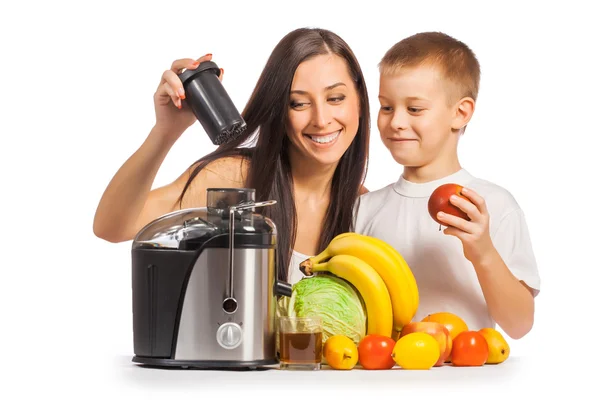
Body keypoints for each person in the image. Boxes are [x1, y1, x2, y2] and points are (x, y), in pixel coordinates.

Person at [93, 28, 370, 285]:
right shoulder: (234, 180)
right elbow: (113, 227)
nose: (321, 120)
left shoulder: (364, 205)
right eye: (298, 103)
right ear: (278, 111)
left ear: (358, 101)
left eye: (335, 98)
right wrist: (166, 131)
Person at [352, 32, 541, 339]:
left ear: (460, 112)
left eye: (414, 109)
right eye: (387, 107)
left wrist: (484, 253)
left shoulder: (493, 205)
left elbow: (519, 325)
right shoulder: (364, 208)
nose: (396, 121)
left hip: (467, 381)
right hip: (383, 380)